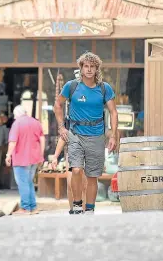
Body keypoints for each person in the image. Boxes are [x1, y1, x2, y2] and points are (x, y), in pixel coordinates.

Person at [54, 52, 118, 215]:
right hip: (75, 134)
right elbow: (58, 105)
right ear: (81, 69)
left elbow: (113, 111)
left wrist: (113, 134)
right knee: (76, 170)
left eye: (92, 67)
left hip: (97, 135)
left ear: (97, 69)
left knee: (92, 176)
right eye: (86, 66)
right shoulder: (72, 86)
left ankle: (89, 209)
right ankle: (76, 205)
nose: (89, 70)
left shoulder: (104, 88)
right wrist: (61, 127)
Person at [5, 105, 45, 215]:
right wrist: (41, 155)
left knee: (23, 183)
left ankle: (25, 208)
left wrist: (8, 155)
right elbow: (42, 139)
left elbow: (12, 142)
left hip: (21, 158)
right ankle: (33, 207)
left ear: (16, 114)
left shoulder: (16, 123)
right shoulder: (36, 122)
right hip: (34, 158)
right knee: (29, 182)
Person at [51, 138, 87, 214]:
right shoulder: (69, 126)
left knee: (84, 184)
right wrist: (55, 157)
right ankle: (73, 209)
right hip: (73, 151)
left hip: (88, 151)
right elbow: (63, 137)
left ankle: (83, 211)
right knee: (70, 183)